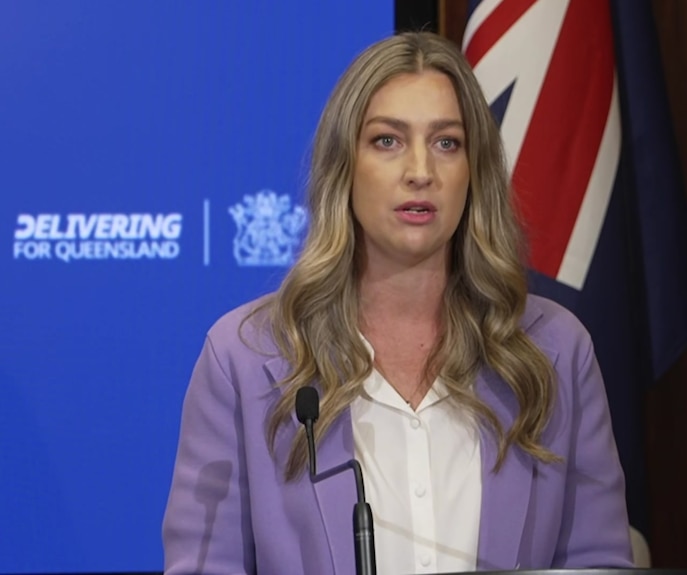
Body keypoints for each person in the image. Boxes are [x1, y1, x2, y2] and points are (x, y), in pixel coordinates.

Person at [162, 31, 633, 574]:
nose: (420, 171)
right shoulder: (245, 359)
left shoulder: (553, 352)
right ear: (346, 166)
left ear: (473, 173)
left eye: (446, 143)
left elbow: (597, 563)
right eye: (388, 140)